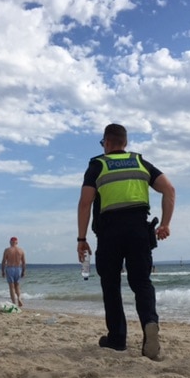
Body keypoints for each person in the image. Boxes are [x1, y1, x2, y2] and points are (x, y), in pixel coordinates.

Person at [77, 123, 175, 360]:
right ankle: (150, 325)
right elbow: (169, 189)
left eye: (103, 143)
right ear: (126, 143)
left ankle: (118, 338)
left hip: (110, 231)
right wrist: (165, 224)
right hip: (140, 230)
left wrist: (81, 238)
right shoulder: (141, 163)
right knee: (141, 282)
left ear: (107, 143)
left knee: (110, 284)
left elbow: (85, 202)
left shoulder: (98, 165)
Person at [1, 237, 26, 306]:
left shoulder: (7, 250)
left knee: (11, 286)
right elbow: (24, 262)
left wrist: (2, 271)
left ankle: (14, 303)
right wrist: (23, 271)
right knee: (17, 285)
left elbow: (3, 261)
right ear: (16, 242)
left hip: (10, 268)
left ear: (10, 242)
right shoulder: (21, 250)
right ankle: (19, 298)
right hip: (18, 269)